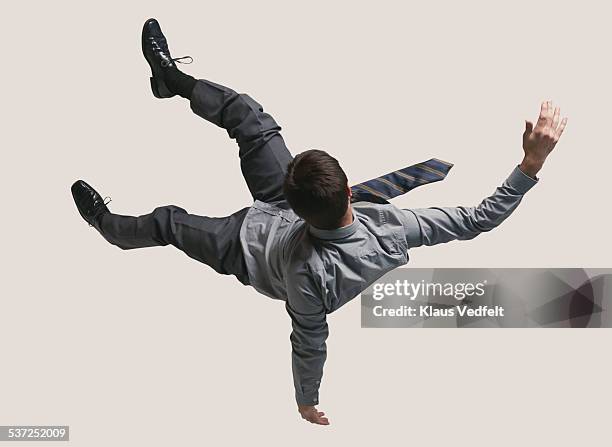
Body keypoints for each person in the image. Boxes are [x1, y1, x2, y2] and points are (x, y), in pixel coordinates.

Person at [71, 18, 568, 426]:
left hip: (245, 247)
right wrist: (531, 164)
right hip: (290, 209)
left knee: (167, 222)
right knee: (250, 118)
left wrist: (305, 399)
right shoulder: (392, 224)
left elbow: (309, 339)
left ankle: (107, 227)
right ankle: (171, 81)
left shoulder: (308, 280)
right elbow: (477, 219)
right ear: (348, 191)